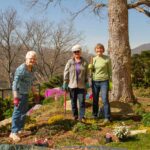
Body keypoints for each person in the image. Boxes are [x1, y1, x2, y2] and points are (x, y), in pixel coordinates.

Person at [9, 51, 38, 142]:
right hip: (19, 93)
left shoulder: (32, 69)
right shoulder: (21, 69)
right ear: (26, 59)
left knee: (23, 112)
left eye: (34, 59)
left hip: (26, 93)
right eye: (30, 59)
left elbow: (31, 82)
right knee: (17, 112)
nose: (32, 60)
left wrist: (35, 94)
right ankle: (13, 132)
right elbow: (15, 83)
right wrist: (15, 97)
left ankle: (20, 129)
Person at [63, 44, 88, 121]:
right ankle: (75, 116)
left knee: (81, 102)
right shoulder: (70, 62)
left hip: (82, 85)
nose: (76, 53)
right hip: (72, 85)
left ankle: (82, 116)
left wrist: (87, 82)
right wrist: (65, 82)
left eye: (78, 51)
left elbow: (87, 73)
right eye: (75, 52)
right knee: (73, 101)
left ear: (80, 52)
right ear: (73, 53)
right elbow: (66, 72)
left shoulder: (84, 62)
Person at [90, 43, 111, 124]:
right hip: (95, 81)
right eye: (97, 49)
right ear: (95, 50)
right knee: (95, 99)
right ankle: (95, 115)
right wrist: (90, 68)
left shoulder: (107, 59)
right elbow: (91, 72)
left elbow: (110, 71)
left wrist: (111, 82)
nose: (99, 50)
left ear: (103, 50)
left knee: (105, 99)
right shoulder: (93, 59)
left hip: (104, 81)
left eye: (100, 49)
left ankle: (107, 117)